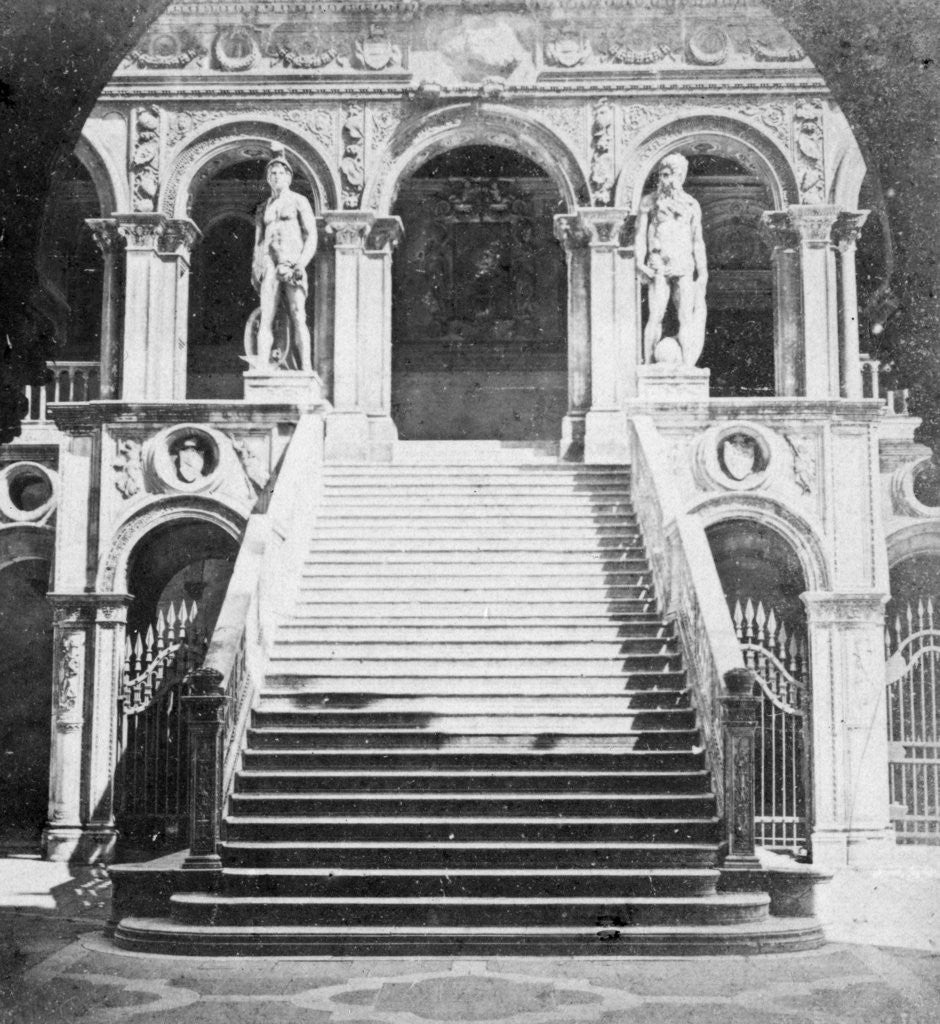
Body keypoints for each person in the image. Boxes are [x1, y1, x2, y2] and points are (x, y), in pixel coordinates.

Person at [635, 152, 708, 365]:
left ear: (680, 177)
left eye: (668, 175)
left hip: (684, 264)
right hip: (659, 264)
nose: (664, 181)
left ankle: (686, 367)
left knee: (685, 316)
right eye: (662, 175)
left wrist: (703, 273)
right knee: (655, 315)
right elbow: (640, 234)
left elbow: (697, 241)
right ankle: (648, 364)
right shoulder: (649, 202)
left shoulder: (691, 205)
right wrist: (640, 263)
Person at [251, 145, 317, 370]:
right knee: (266, 316)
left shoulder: (299, 201)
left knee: (299, 316)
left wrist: (301, 263)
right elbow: (259, 242)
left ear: (289, 176)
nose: (276, 176)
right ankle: (261, 366)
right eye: (272, 173)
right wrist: (256, 266)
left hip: (292, 262)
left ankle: (306, 367)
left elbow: (311, 236)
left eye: (280, 172)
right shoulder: (265, 207)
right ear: (268, 178)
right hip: (270, 264)